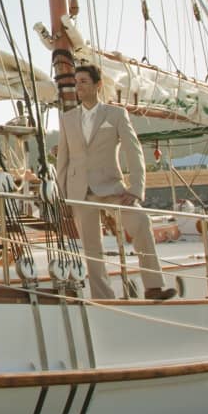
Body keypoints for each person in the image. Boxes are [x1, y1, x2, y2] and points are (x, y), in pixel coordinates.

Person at [56, 64, 176, 301]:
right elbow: (63, 159)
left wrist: (136, 189)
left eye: (83, 81)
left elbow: (134, 151)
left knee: (140, 221)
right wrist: (63, 196)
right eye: (76, 81)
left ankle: (153, 287)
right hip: (79, 189)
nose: (78, 86)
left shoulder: (116, 114)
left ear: (97, 85)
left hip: (112, 186)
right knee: (92, 248)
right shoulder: (67, 119)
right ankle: (104, 297)